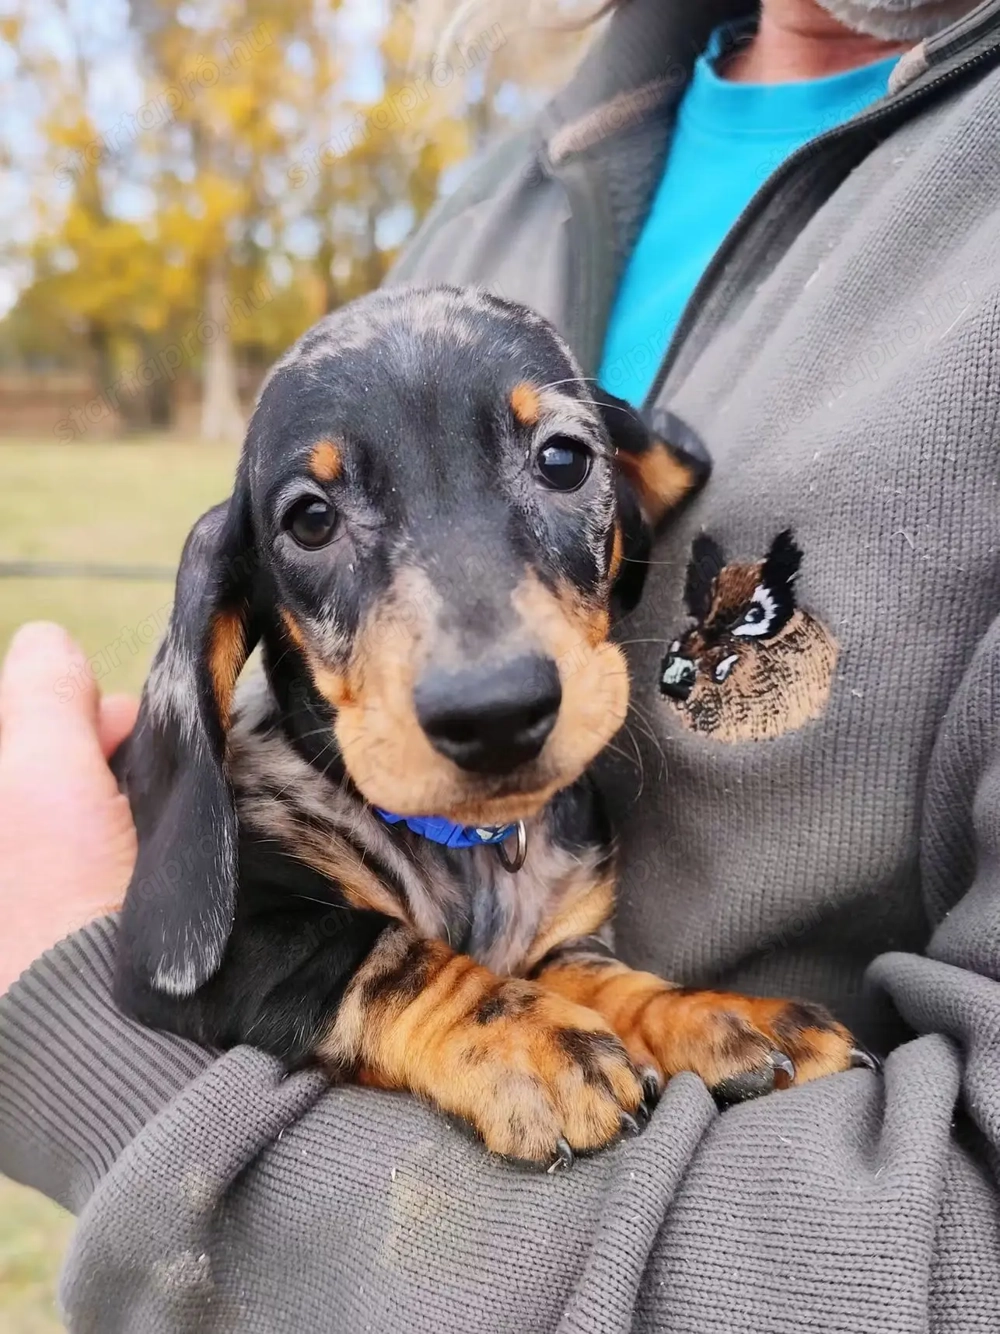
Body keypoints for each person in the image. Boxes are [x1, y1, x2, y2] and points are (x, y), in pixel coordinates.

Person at [3, 0, 1000, 1327]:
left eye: (561, 462)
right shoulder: (507, 186)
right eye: (313, 518)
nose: (477, 665)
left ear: (648, 483)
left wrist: (75, 1027)